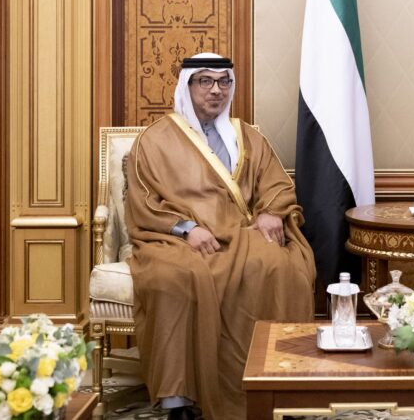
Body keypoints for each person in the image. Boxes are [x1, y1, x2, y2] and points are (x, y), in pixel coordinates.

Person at [125, 53, 316, 420]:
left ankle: (278, 383)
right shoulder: (155, 139)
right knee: (171, 279)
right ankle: (178, 399)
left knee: (281, 266)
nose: (216, 90)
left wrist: (270, 213)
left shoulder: (248, 137)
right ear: (187, 86)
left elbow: (275, 184)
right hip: (177, 240)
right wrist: (187, 229)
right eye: (205, 81)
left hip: (242, 234)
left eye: (224, 82)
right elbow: (144, 199)